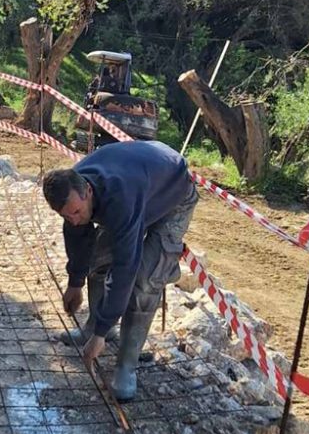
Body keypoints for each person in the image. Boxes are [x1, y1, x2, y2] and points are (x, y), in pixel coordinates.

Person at [41, 141, 198, 402]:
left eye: (77, 212)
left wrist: (101, 334)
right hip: (143, 183)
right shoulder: (73, 189)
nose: (74, 220)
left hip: (172, 194)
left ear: (88, 191)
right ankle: (93, 325)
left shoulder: (120, 198)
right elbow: (78, 237)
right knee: (98, 257)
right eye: (67, 216)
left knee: (146, 280)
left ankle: (126, 366)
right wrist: (75, 283)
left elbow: (125, 267)